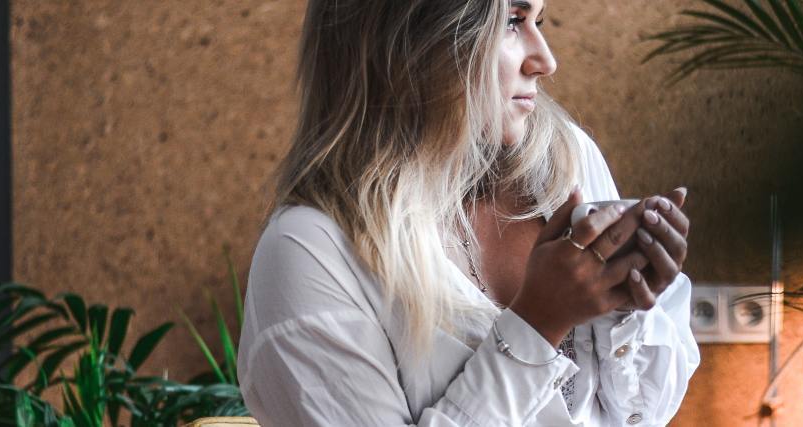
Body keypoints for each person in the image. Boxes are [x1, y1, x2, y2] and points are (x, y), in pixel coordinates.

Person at [236, 0, 700, 425]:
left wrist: (624, 306)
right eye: (511, 22)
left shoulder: (565, 162)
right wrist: (536, 327)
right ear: (411, 38)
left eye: (539, 21)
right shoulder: (307, 255)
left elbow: (637, 415)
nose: (545, 61)